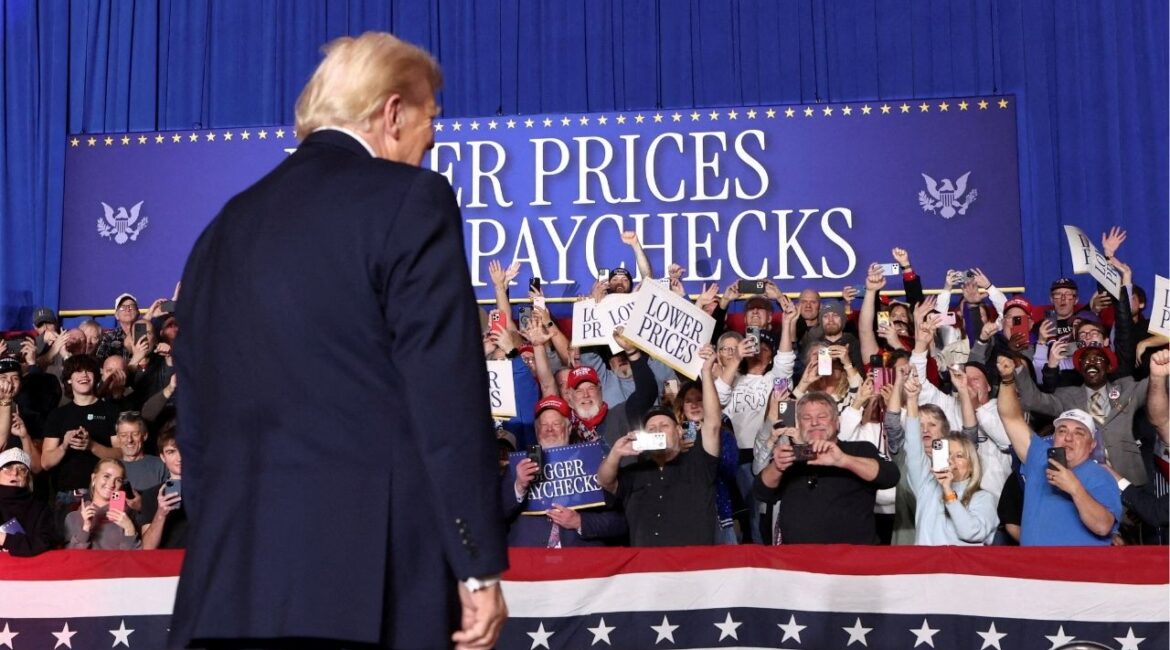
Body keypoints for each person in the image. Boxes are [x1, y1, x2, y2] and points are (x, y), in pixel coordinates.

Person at [170, 32, 507, 650]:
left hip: (226, 592)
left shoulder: (219, 231)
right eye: (432, 117)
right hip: (369, 591)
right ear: (393, 111)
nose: (433, 138)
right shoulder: (411, 200)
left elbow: (194, 423)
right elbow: (445, 395)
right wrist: (476, 562)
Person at [597, 345, 723, 546]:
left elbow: (714, 423)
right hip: (649, 569)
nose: (657, 429)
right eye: (651, 427)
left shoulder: (699, 461)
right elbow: (605, 482)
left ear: (679, 431)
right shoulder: (634, 471)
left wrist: (706, 372)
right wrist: (615, 454)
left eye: (664, 425)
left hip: (694, 568)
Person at [996, 357, 1121, 545]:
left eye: (1079, 433)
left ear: (1092, 445)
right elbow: (1010, 417)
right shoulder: (1039, 458)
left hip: (1076, 572)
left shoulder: (1101, 477)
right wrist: (1007, 380)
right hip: (1034, 570)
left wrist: (1075, 488)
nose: (1068, 437)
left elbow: (1103, 526)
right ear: (1054, 438)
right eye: (1062, 431)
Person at [753, 391, 900, 544]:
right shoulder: (791, 455)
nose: (814, 423)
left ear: (837, 423)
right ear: (799, 424)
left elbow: (890, 476)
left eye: (822, 417)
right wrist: (777, 467)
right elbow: (761, 492)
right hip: (798, 561)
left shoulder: (859, 450)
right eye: (806, 418)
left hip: (853, 559)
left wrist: (843, 460)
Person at [503, 396, 626, 547]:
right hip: (530, 562)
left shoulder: (593, 463)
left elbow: (620, 522)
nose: (549, 429)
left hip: (579, 562)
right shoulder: (520, 466)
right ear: (536, 430)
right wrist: (518, 487)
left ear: (568, 428)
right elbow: (494, 516)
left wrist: (580, 522)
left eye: (556, 424)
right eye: (543, 424)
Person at [901, 369, 998, 545]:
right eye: (947, 454)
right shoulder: (926, 486)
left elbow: (970, 533)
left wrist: (948, 493)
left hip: (962, 571)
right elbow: (914, 447)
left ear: (971, 464)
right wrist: (912, 400)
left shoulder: (983, 498)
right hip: (926, 569)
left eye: (959, 455)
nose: (951, 460)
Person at [63, 458, 141, 550]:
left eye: (118, 480)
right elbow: (71, 558)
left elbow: (136, 559)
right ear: (94, 478)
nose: (112, 484)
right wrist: (86, 527)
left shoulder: (128, 514)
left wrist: (130, 529)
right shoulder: (73, 517)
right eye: (106, 476)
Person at [0, 447, 55, 556]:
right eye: (8, 467)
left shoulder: (41, 509)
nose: (15, 473)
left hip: (31, 569)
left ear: (28, 478)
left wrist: (6, 539)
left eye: (22, 469)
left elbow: (45, 544)